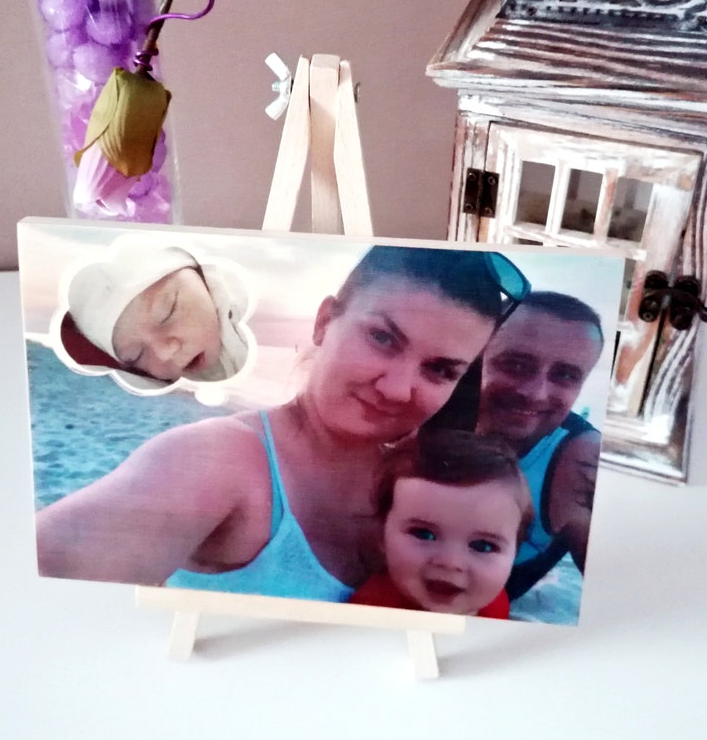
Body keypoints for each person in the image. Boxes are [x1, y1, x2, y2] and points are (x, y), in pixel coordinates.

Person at [36, 245, 531, 602]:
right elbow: (44, 571)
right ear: (323, 322)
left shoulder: (421, 485)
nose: (400, 388)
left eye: (440, 370)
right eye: (382, 338)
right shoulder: (219, 460)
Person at [427, 291, 605, 600]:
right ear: (477, 357)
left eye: (565, 375)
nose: (535, 393)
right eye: (516, 365)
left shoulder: (580, 459)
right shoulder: (421, 410)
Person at [349, 430, 533, 618]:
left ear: (514, 554)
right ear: (382, 535)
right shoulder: (370, 613)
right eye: (424, 534)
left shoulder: (495, 602)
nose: (451, 562)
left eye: (483, 546)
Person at [60, 237, 249, 385]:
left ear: (198, 273)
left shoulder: (240, 301)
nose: (165, 352)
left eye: (168, 312)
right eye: (136, 355)